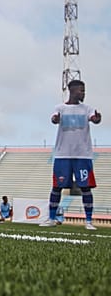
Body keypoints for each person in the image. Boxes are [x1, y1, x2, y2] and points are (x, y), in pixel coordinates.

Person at [39, 79, 101, 230]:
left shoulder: (87, 109)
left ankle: (88, 221)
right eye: (81, 90)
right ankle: (52, 218)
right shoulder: (60, 107)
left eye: (84, 90)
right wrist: (56, 119)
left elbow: (94, 118)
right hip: (62, 154)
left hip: (83, 155)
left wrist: (96, 119)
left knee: (86, 188)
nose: (83, 93)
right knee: (57, 187)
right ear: (72, 91)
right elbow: (54, 118)